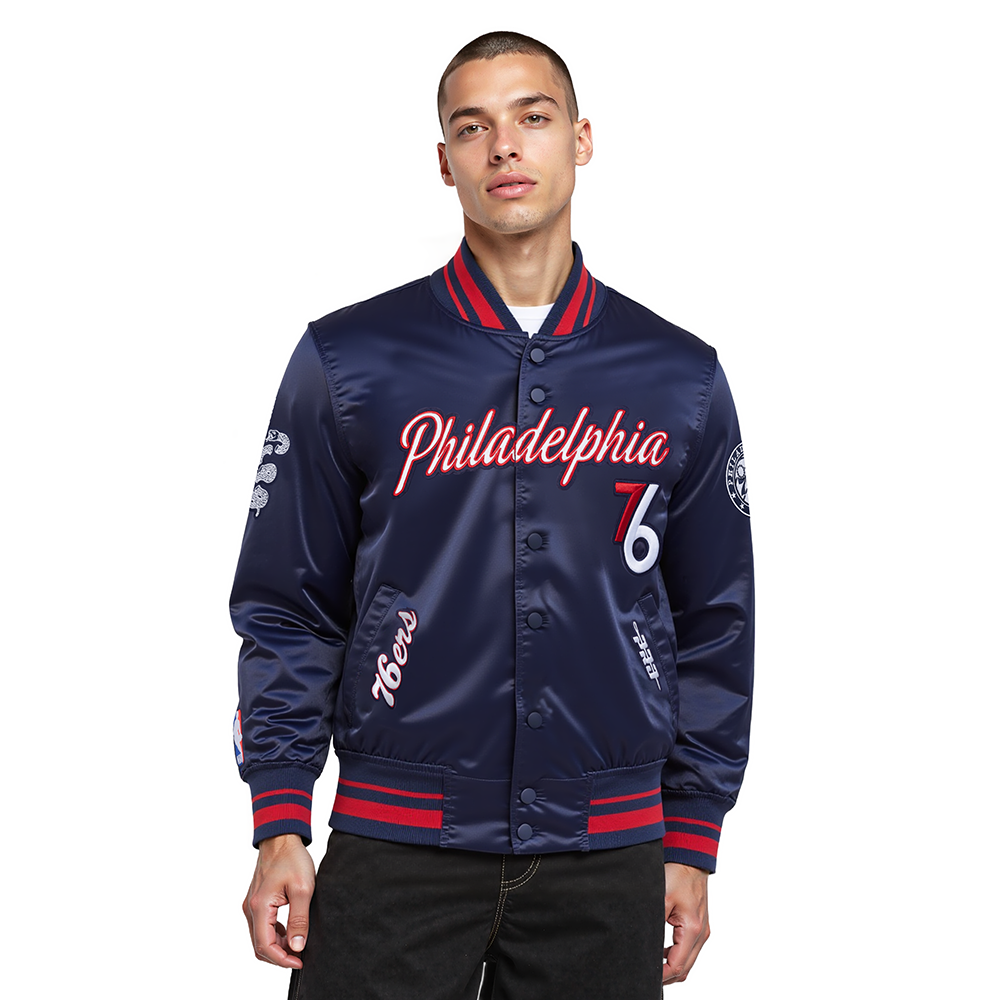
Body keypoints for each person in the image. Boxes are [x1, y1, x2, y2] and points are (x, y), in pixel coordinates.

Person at [232, 30, 754, 1000]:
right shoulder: (349, 360)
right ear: (445, 161)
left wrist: (692, 831)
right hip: (395, 842)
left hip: (607, 854)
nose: (504, 146)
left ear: (581, 139)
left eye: (533, 117)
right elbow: (288, 606)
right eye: (472, 127)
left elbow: (715, 621)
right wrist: (280, 817)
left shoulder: (678, 377)